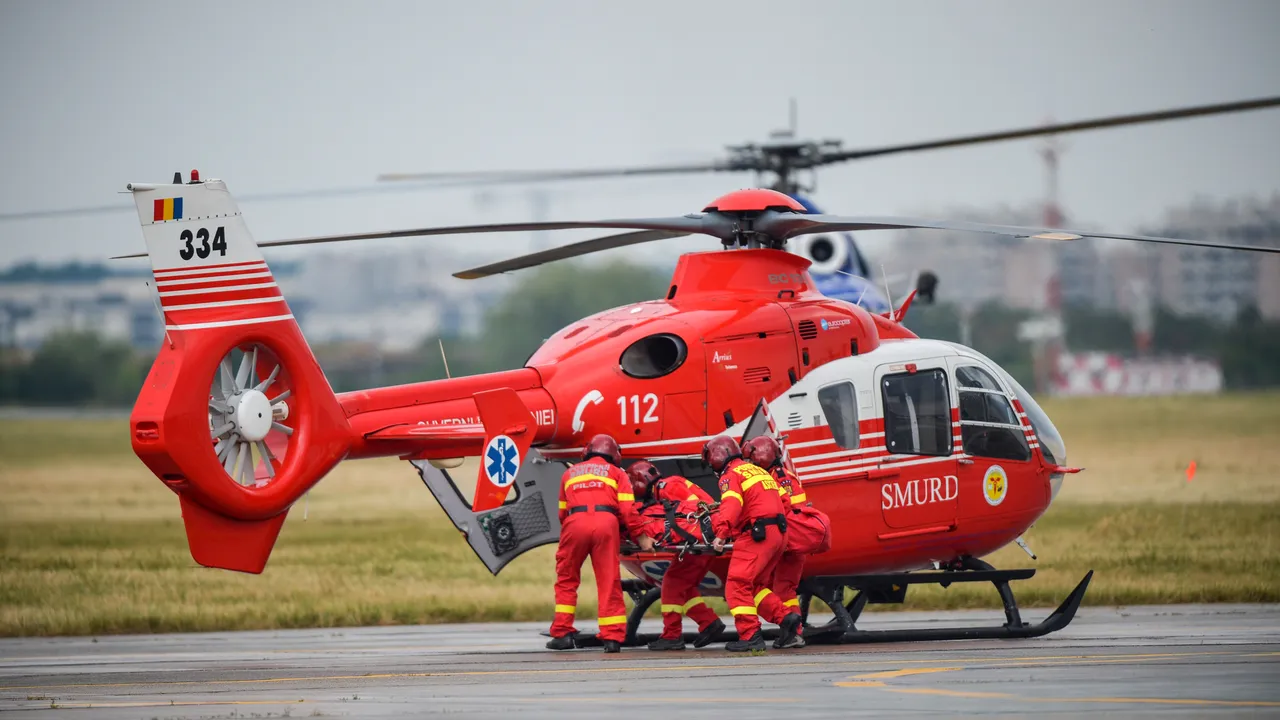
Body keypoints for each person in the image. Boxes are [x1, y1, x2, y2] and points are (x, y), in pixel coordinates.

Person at [547, 434, 654, 653]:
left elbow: (561, 512)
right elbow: (627, 511)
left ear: (587, 451)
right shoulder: (617, 473)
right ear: (614, 454)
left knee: (567, 578)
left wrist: (573, 529)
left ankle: (562, 633)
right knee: (609, 580)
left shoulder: (569, 473)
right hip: (606, 522)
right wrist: (642, 538)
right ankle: (612, 638)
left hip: (574, 522)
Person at [705, 435, 801, 652]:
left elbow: (731, 504)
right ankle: (786, 618)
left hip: (757, 534)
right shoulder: (758, 471)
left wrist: (721, 534)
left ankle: (750, 636)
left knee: (736, 585)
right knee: (755, 586)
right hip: (778, 533)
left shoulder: (731, 475)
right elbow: (785, 501)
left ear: (718, 456)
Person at [743, 435, 833, 649]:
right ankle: (793, 632)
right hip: (791, 540)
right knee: (785, 590)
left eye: (751, 460)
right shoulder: (781, 475)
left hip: (788, 541)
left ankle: (793, 632)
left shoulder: (778, 479)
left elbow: (784, 511)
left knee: (778, 588)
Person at [627, 461, 726, 651]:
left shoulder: (667, 488)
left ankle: (672, 635)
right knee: (683, 586)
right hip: (702, 539)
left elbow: (694, 510)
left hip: (699, 540)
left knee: (671, 583)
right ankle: (708, 622)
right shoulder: (671, 483)